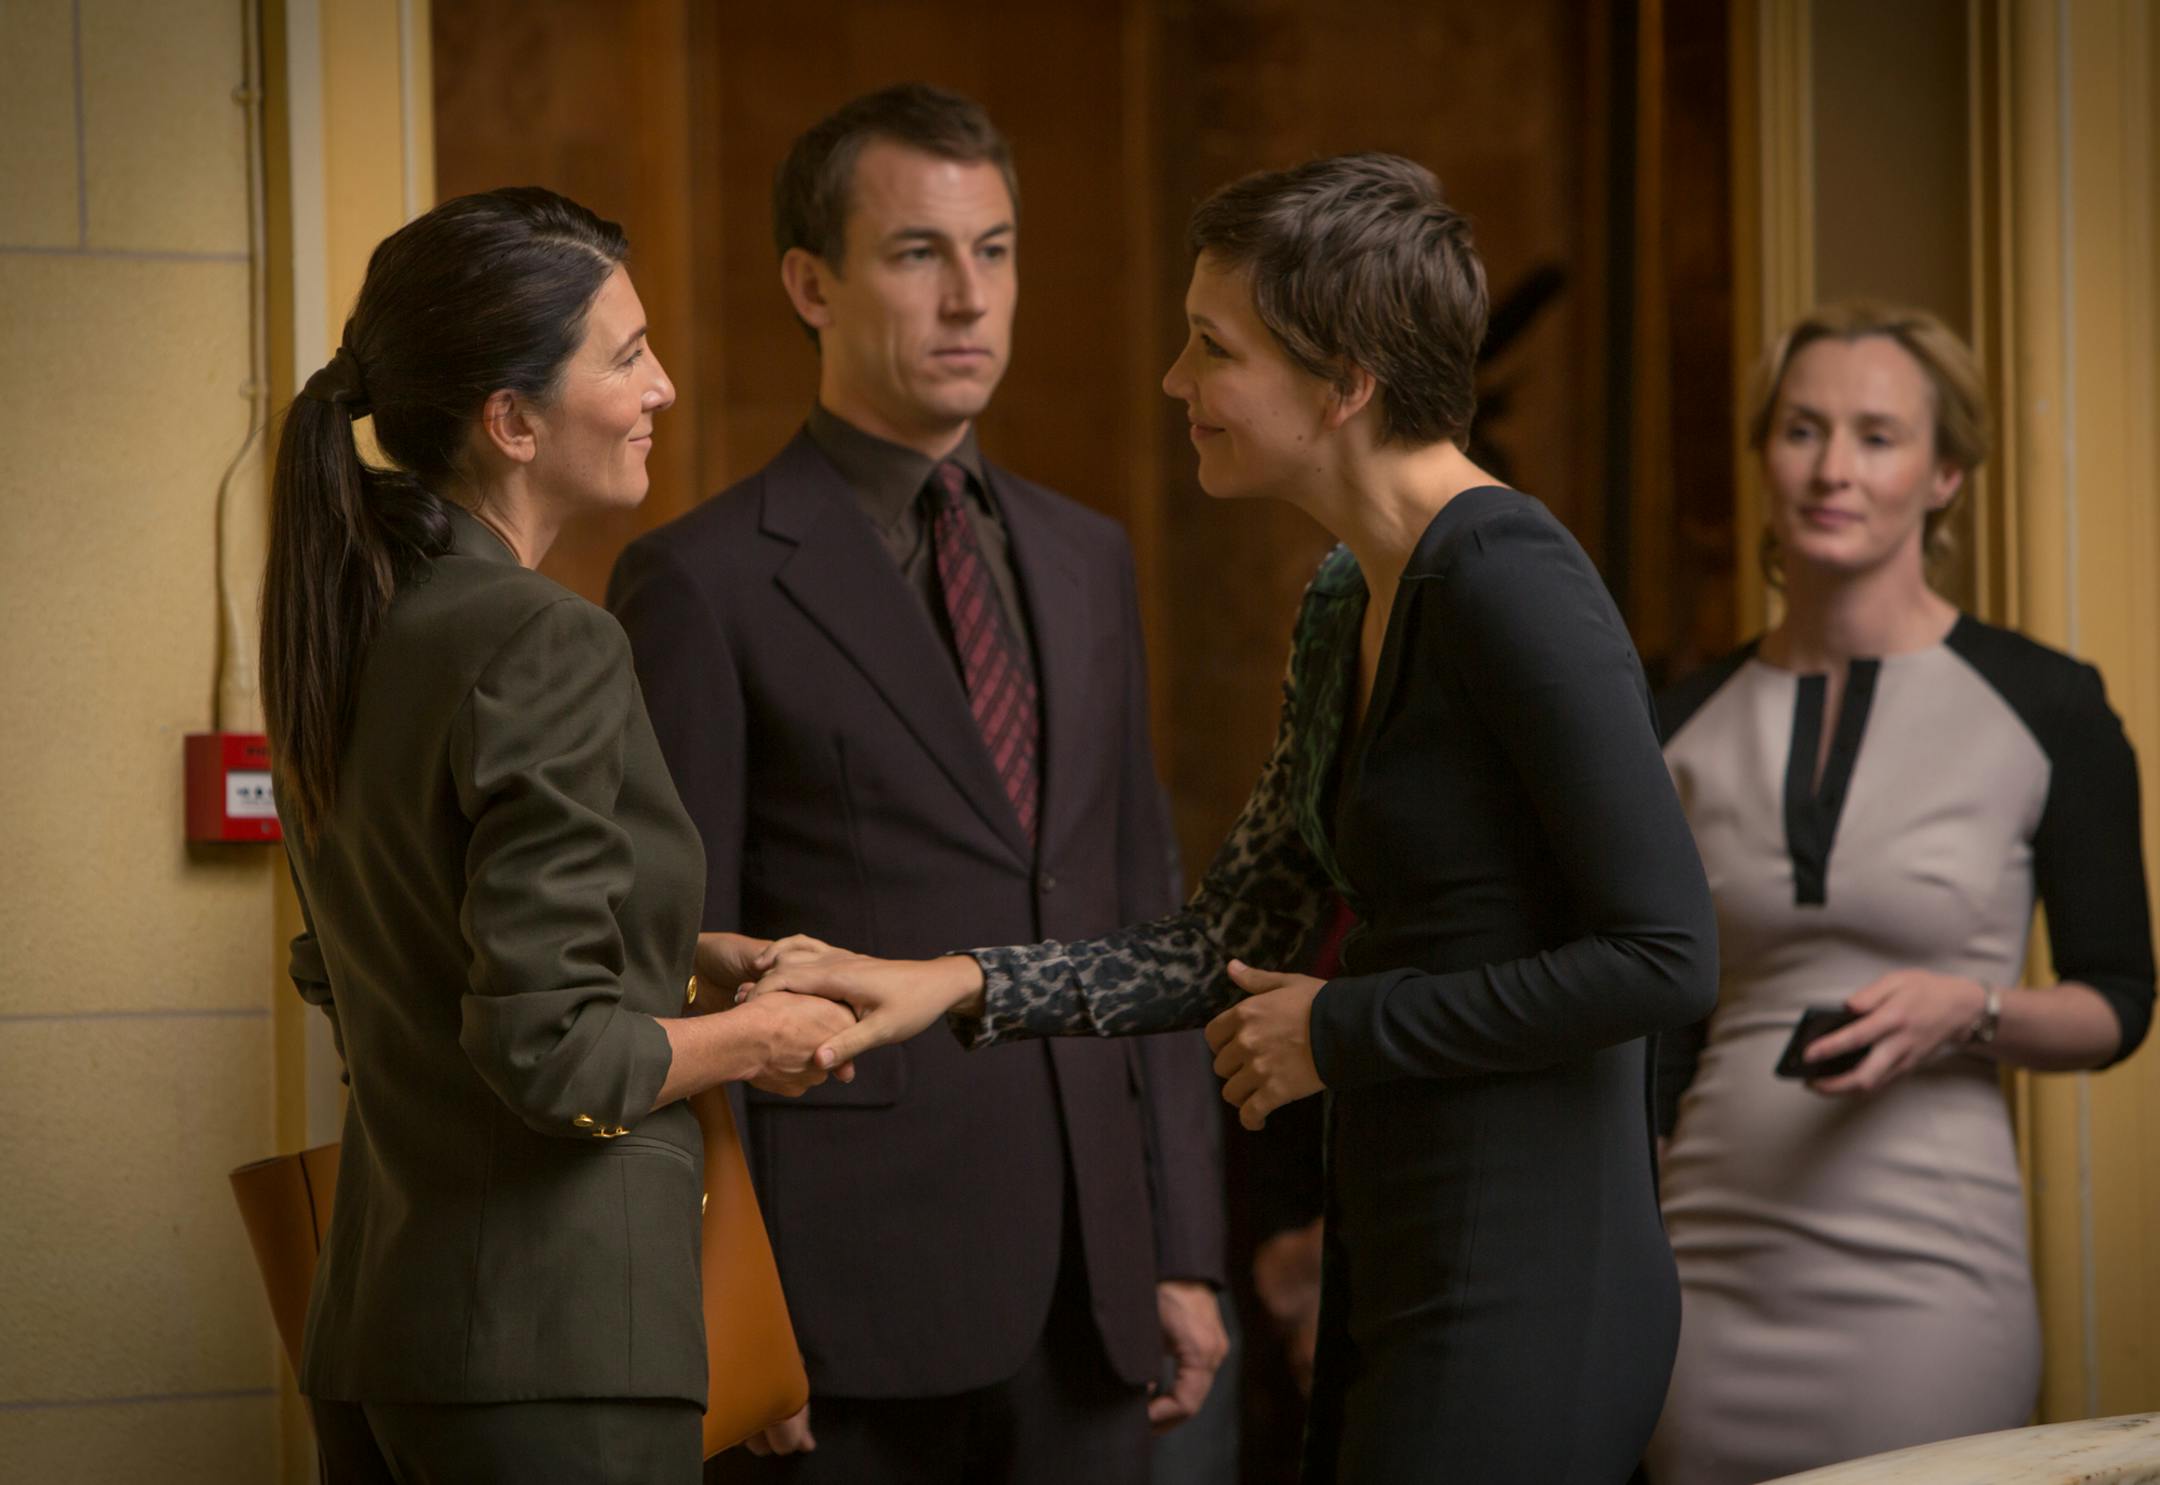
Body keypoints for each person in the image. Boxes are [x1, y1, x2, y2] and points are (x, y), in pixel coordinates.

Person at [747, 152, 1720, 1484]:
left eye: (1213, 347)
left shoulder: (1513, 580)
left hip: (1535, 1278)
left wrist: (1339, 1026)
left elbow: (1667, 957)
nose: (1173, 381)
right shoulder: (1343, 596)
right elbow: (1228, 939)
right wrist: (944, 983)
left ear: (1346, 383)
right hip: (1401, 1249)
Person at [606, 84, 1229, 1485]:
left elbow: (1149, 919)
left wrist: (1183, 1247)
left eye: (995, 250)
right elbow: (673, 972)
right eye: (917, 254)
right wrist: (736, 1309)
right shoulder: (700, 582)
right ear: (810, 283)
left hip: (1093, 1294)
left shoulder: (1090, 559)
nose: (969, 300)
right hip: (842, 1315)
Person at [261, 187, 856, 1484]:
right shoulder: (546, 638)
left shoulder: (354, 631)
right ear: (512, 419)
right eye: (629, 354)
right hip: (551, 1349)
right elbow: (549, 1053)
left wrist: (685, 955)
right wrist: (765, 1033)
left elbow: (384, 958)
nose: (666, 389)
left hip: (385, 1329)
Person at [1641, 302, 2156, 1484]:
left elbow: (2121, 1000)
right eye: (1803, 429)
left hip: (1930, 1287)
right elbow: (1656, 1031)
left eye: (1877, 436)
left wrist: (1970, 1009)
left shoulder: (2049, 706)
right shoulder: (1672, 722)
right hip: (1704, 1278)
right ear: (1764, 453)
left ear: (1945, 474)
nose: (1833, 469)